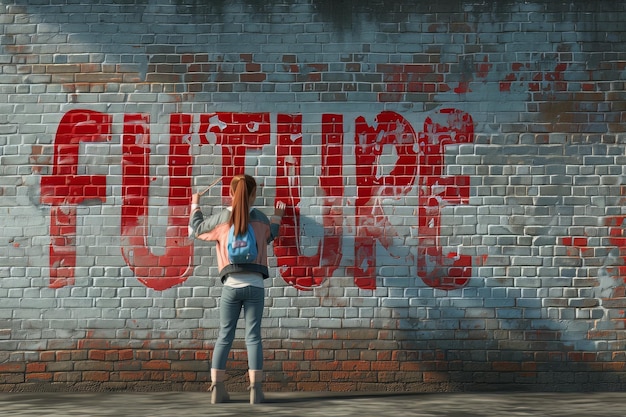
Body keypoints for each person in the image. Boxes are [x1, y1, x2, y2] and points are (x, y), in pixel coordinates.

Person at [189, 174, 285, 404]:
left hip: (231, 286)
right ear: (254, 195)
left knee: (224, 336)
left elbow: (198, 229)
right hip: (255, 286)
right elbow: (271, 235)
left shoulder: (222, 219)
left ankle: (217, 389)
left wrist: (196, 203)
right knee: (253, 337)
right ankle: (255, 390)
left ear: (231, 194)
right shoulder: (261, 219)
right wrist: (278, 217)